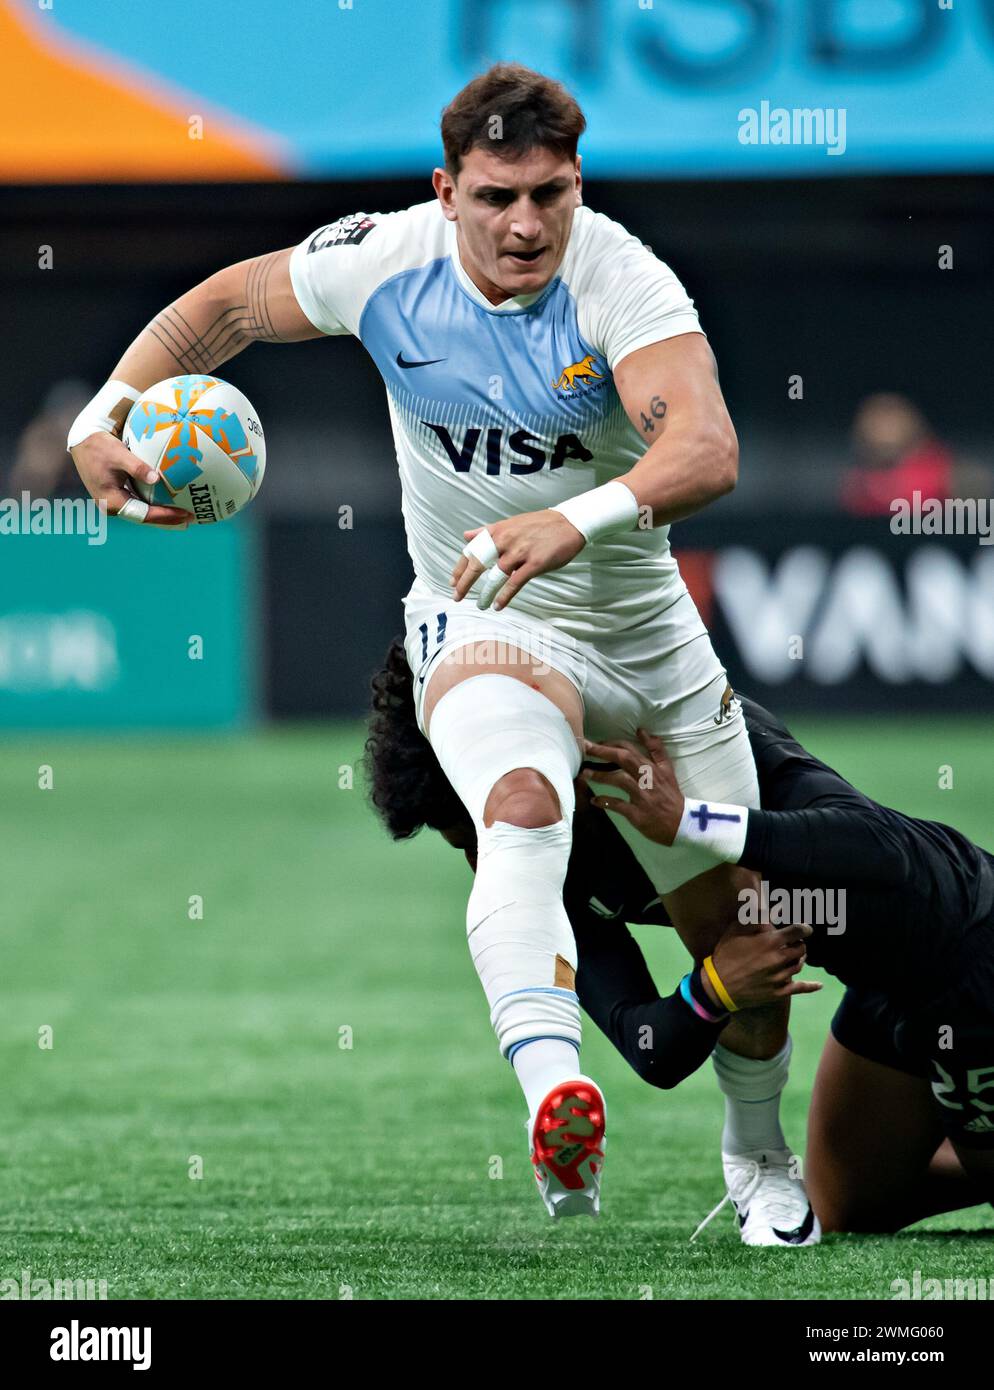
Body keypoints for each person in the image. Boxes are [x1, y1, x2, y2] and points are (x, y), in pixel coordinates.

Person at [66, 63, 805, 1232]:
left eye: (550, 195)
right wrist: (100, 413)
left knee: (750, 941)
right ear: (445, 191)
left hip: (648, 646)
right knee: (519, 803)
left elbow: (706, 450)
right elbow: (220, 312)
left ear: (577, 186)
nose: (525, 223)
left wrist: (573, 518)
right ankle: (554, 1096)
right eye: (497, 196)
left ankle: (758, 1157)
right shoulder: (380, 259)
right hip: (480, 619)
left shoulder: (625, 280)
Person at [365, 638, 992, 1238]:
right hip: (882, 993)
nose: (485, 857)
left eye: (481, 832)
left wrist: (693, 823)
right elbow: (649, 1046)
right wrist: (714, 989)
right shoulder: (542, 871)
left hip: (969, 950)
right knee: (847, 1203)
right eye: (465, 844)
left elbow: (890, 857)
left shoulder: (687, 744)